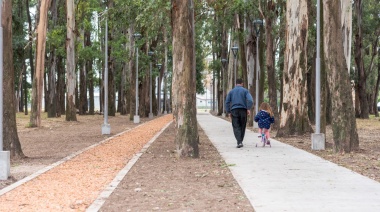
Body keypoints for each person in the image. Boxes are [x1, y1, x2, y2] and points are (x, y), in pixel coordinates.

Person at [225, 78, 253, 148]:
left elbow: (227, 102)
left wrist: (228, 111)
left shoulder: (231, 92)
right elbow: (250, 100)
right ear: (242, 84)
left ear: (235, 84)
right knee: (242, 126)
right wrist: (248, 108)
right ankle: (240, 141)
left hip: (234, 110)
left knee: (236, 126)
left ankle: (239, 141)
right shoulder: (245, 91)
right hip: (243, 110)